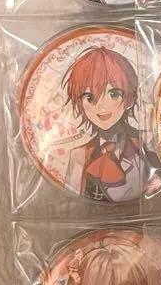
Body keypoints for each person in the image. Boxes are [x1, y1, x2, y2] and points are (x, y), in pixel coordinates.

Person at [61, 46, 145, 202]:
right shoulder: (78, 156)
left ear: (130, 98)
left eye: (113, 94)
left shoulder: (146, 145)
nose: (101, 106)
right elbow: (72, 201)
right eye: (89, 97)